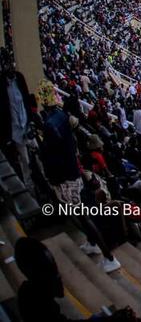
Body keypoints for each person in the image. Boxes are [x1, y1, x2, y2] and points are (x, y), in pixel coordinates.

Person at [36, 80, 120, 273]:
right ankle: (92, 243)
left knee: (83, 217)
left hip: (64, 176)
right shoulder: (61, 115)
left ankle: (109, 257)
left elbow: (51, 154)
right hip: (72, 173)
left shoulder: (50, 124)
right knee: (82, 213)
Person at [0, 55, 37, 193]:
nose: (10, 68)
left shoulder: (20, 78)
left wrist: (31, 121)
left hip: (27, 125)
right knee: (25, 162)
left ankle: (45, 182)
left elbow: (27, 100)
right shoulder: (2, 86)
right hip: (15, 131)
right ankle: (31, 190)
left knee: (38, 156)